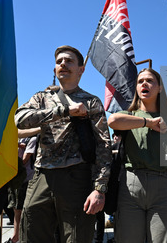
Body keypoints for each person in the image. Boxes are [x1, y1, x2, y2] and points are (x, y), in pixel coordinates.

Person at [14, 45, 112, 243]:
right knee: (31, 234)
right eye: (59, 62)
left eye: (69, 61)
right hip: (41, 177)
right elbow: (20, 119)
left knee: (76, 237)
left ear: (81, 69)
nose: (63, 65)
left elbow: (103, 146)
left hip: (76, 178)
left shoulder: (92, 102)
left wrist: (99, 189)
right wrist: (64, 110)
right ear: (54, 70)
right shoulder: (42, 97)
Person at [108, 68, 167, 242]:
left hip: (164, 188)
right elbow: (112, 120)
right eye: (140, 81)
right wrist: (148, 123)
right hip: (130, 186)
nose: (144, 83)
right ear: (136, 89)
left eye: (150, 80)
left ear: (160, 87)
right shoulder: (129, 116)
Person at [5, 127, 40, 243]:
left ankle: (20, 237)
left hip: (25, 178)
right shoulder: (17, 139)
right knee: (16, 209)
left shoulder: (33, 138)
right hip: (14, 178)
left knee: (22, 210)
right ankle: (16, 237)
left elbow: (24, 159)